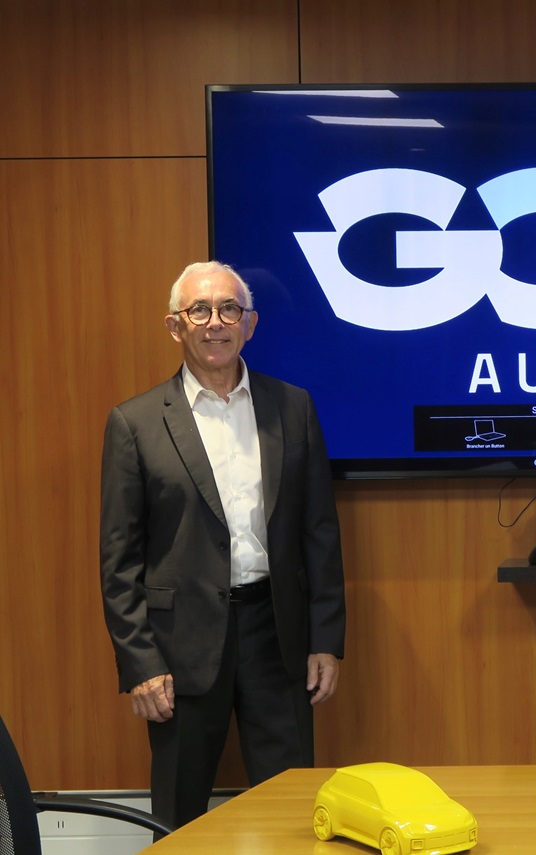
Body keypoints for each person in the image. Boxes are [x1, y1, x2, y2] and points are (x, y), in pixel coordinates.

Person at [100, 261, 346, 833]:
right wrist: (140, 664)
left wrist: (326, 639)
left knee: (291, 810)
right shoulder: (133, 424)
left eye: (229, 309)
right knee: (180, 816)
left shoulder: (294, 408)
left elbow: (320, 534)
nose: (216, 322)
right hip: (178, 648)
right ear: (174, 326)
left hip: (277, 635)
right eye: (200, 311)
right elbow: (119, 562)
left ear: (250, 324)